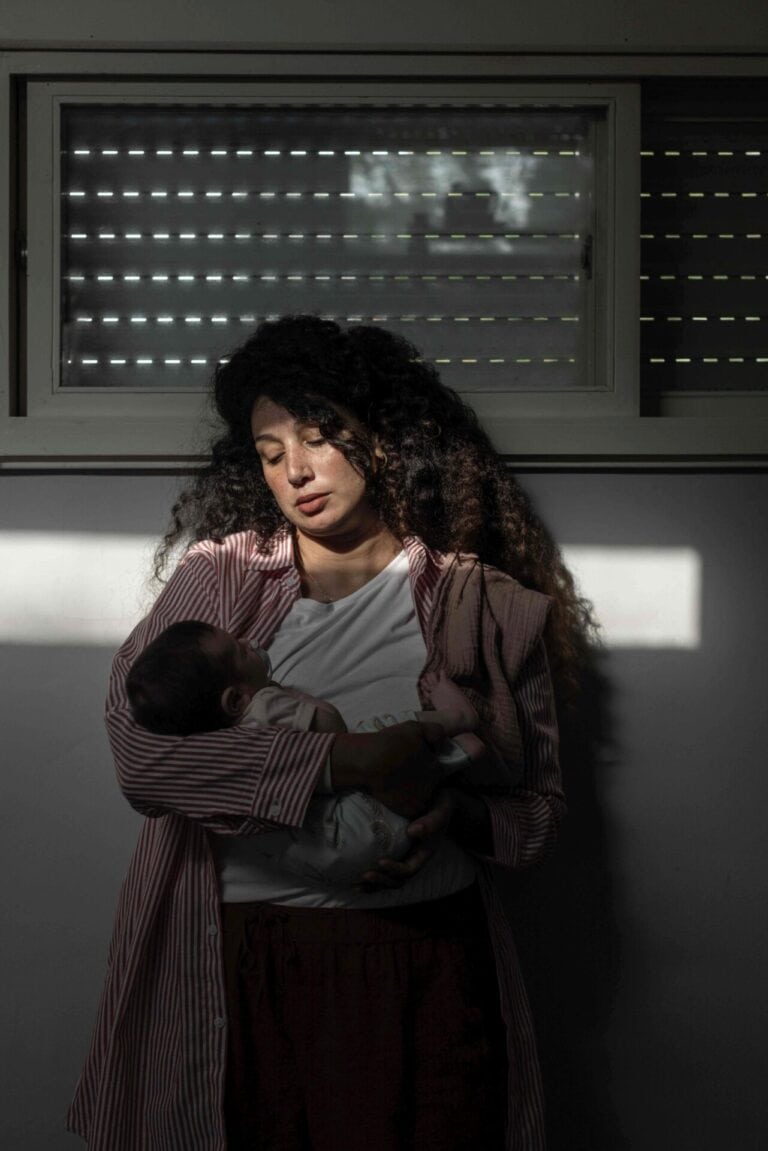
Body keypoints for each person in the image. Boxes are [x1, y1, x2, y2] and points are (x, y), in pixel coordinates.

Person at [67, 314, 593, 1151]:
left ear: (380, 438)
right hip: (248, 965)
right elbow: (142, 754)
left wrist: (450, 815)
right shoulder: (223, 576)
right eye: (271, 453)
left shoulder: (479, 602)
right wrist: (350, 758)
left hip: (428, 959)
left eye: (318, 438)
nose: (297, 471)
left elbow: (537, 816)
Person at [125, 618, 490, 892]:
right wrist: (289, 695)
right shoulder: (265, 706)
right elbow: (331, 726)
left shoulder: (210, 750)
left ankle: (448, 773)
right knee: (380, 733)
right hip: (355, 826)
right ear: (234, 700)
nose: (250, 642)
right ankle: (458, 722)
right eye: (240, 650)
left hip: (331, 864)